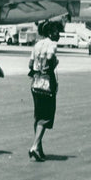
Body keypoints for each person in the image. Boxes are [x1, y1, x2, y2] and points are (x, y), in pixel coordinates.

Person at [27, 20, 63, 162]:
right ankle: (34, 147)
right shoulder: (51, 45)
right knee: (46, 116)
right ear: (50, 33)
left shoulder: (37, 44)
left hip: (35, 82)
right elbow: (49, 58)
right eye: (56, 32)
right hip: (47, 82)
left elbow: (30, 64)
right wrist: (54, 61)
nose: (58, 34)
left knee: (38, 115)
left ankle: (39, 149)